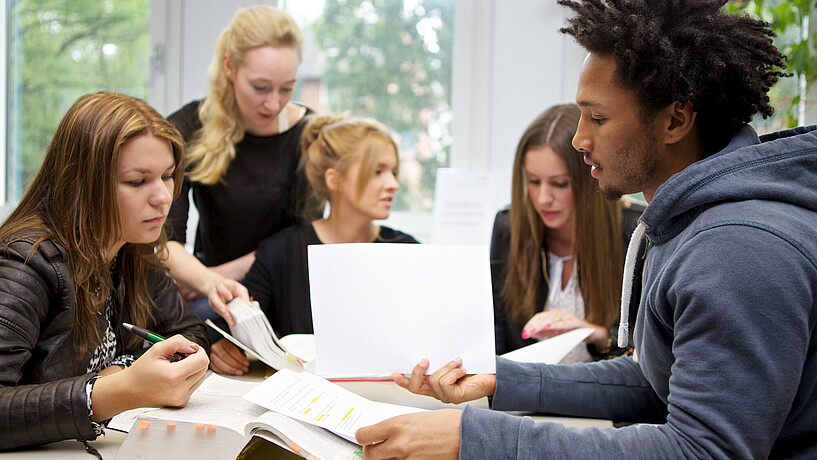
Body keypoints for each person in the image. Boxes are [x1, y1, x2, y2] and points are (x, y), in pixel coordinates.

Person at [354, 0, 817, 458]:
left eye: (598, 118)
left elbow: (702, 452)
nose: (579, 139)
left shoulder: (737, 248)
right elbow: (656, 383)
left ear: (675, 119)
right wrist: (499, 380)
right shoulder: (686, 221)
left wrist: (471, 437)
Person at [0, 92, 210, 451]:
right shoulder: (26, 263)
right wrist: (114, 389)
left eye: (168, 175)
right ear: (83, 184)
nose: (163, 196)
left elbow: (188, 332)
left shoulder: (133, 247)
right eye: (137, 181)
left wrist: (126, 369)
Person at [211, 115, 418, 375]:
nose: (393, 184)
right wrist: (221, 347)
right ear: (334, 179)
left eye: (394, 172)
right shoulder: (282, 251)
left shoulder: (409, 252)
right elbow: (231, 325)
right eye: (377, 171)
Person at [162, 6, 319, 336]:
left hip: (284, 288)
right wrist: (206, 280)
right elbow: (163, 242)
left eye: (287, 88)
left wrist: (214, 275)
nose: (273, 103)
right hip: (209, 293)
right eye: (260, 87)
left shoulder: (309, 134)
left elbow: (302, 241)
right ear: (229, 67)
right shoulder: (187, 127)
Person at [490, 104, 644, 360]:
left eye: (559, 183)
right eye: (533, 181)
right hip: (526, 394)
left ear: (590, 178)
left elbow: (649, 355)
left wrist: (599, 335)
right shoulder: (509, 227)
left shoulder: (634, 233)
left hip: (605, 396)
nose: (542, 198)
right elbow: (497, 334)